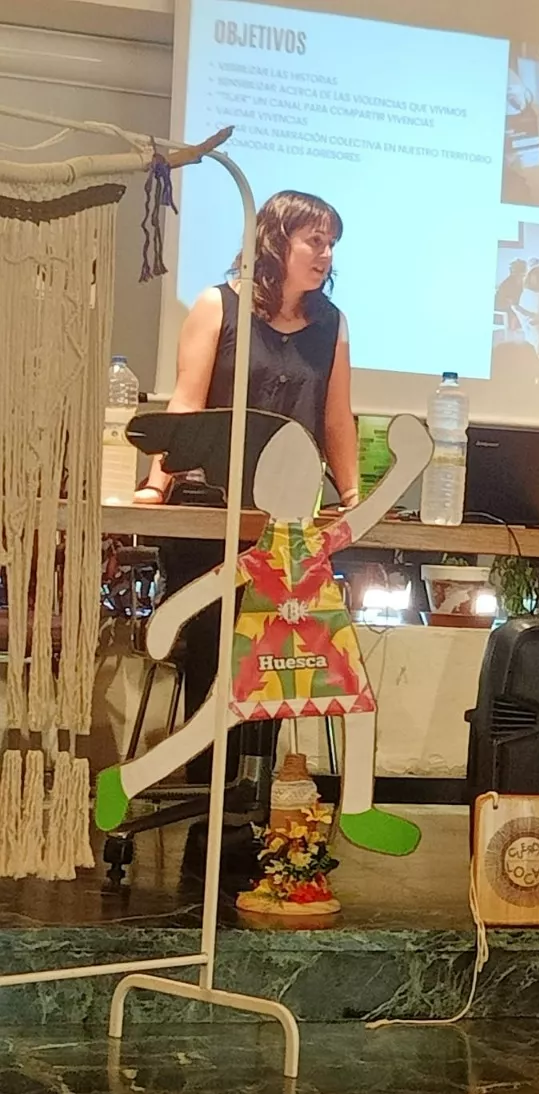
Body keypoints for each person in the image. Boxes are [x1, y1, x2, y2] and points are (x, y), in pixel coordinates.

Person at [133, 190, 355, 784]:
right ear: (277, 242)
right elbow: (187, 403)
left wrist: (353, 498)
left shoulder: (330, 324)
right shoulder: (218, 305)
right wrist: (157, 484)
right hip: (211, 508)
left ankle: (253, 794)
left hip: (286, 515)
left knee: (275, 653)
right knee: (215, 647)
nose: (326, 254)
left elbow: (336, 419)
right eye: (315, 240)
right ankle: (210, 786)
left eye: (332, 244)